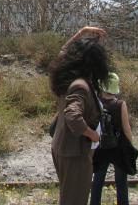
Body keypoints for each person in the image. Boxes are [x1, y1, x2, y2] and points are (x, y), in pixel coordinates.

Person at [50, 26, 109, 205]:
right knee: (75, 200)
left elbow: (63, 53)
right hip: (75, 153)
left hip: (64, 147)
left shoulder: (66, 77)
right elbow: (73, 116)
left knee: (68, 197)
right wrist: (93, 135)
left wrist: (81, 33)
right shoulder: (81, 85)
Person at [90, 72, 133, 205]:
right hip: (118, 147)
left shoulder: (96, 102)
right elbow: (126, 128)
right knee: (121, 182)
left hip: (101, 146)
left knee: (98, 180)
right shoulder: (120, 104)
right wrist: (130, 146)